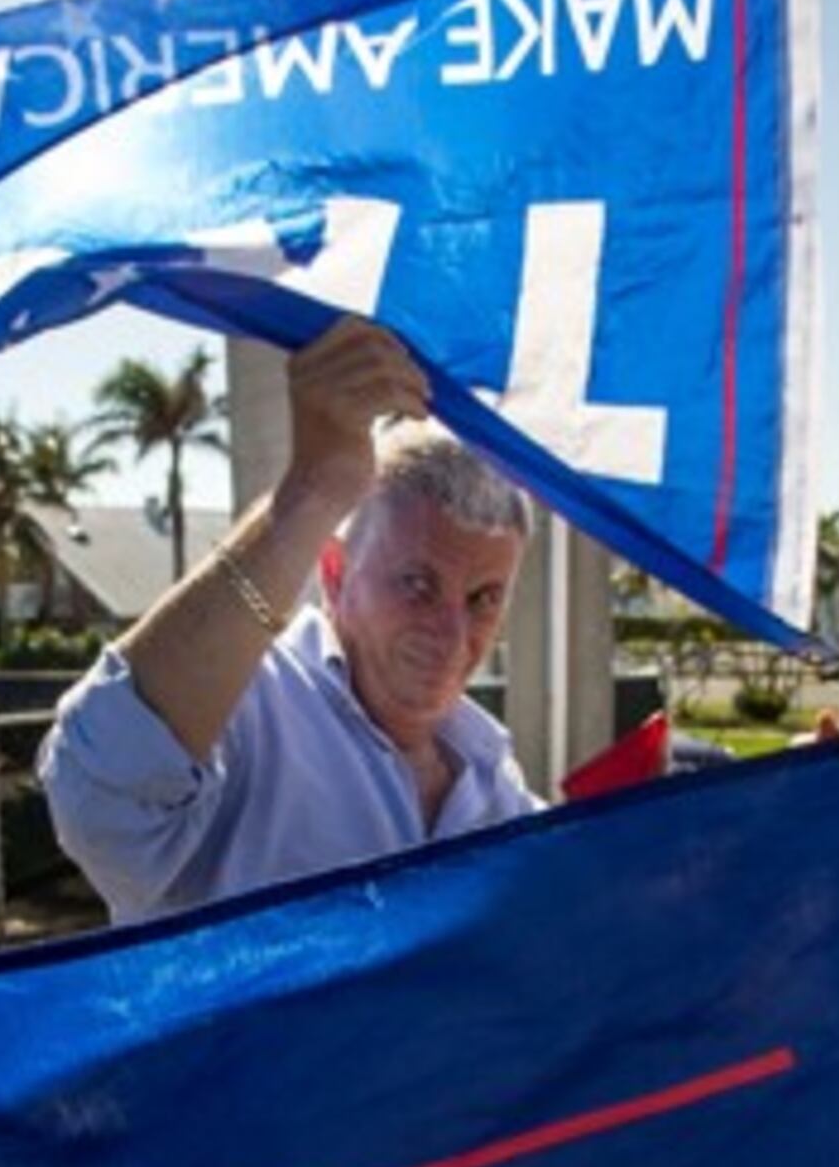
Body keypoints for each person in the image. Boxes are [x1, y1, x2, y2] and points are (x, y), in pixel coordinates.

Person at [39, 319, 540, 922]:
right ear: (334, 574)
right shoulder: (243, 705)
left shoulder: (490, 774)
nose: (453, 634)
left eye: (484, 598)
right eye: (416, 584)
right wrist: (312, 490)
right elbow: (100, 794)